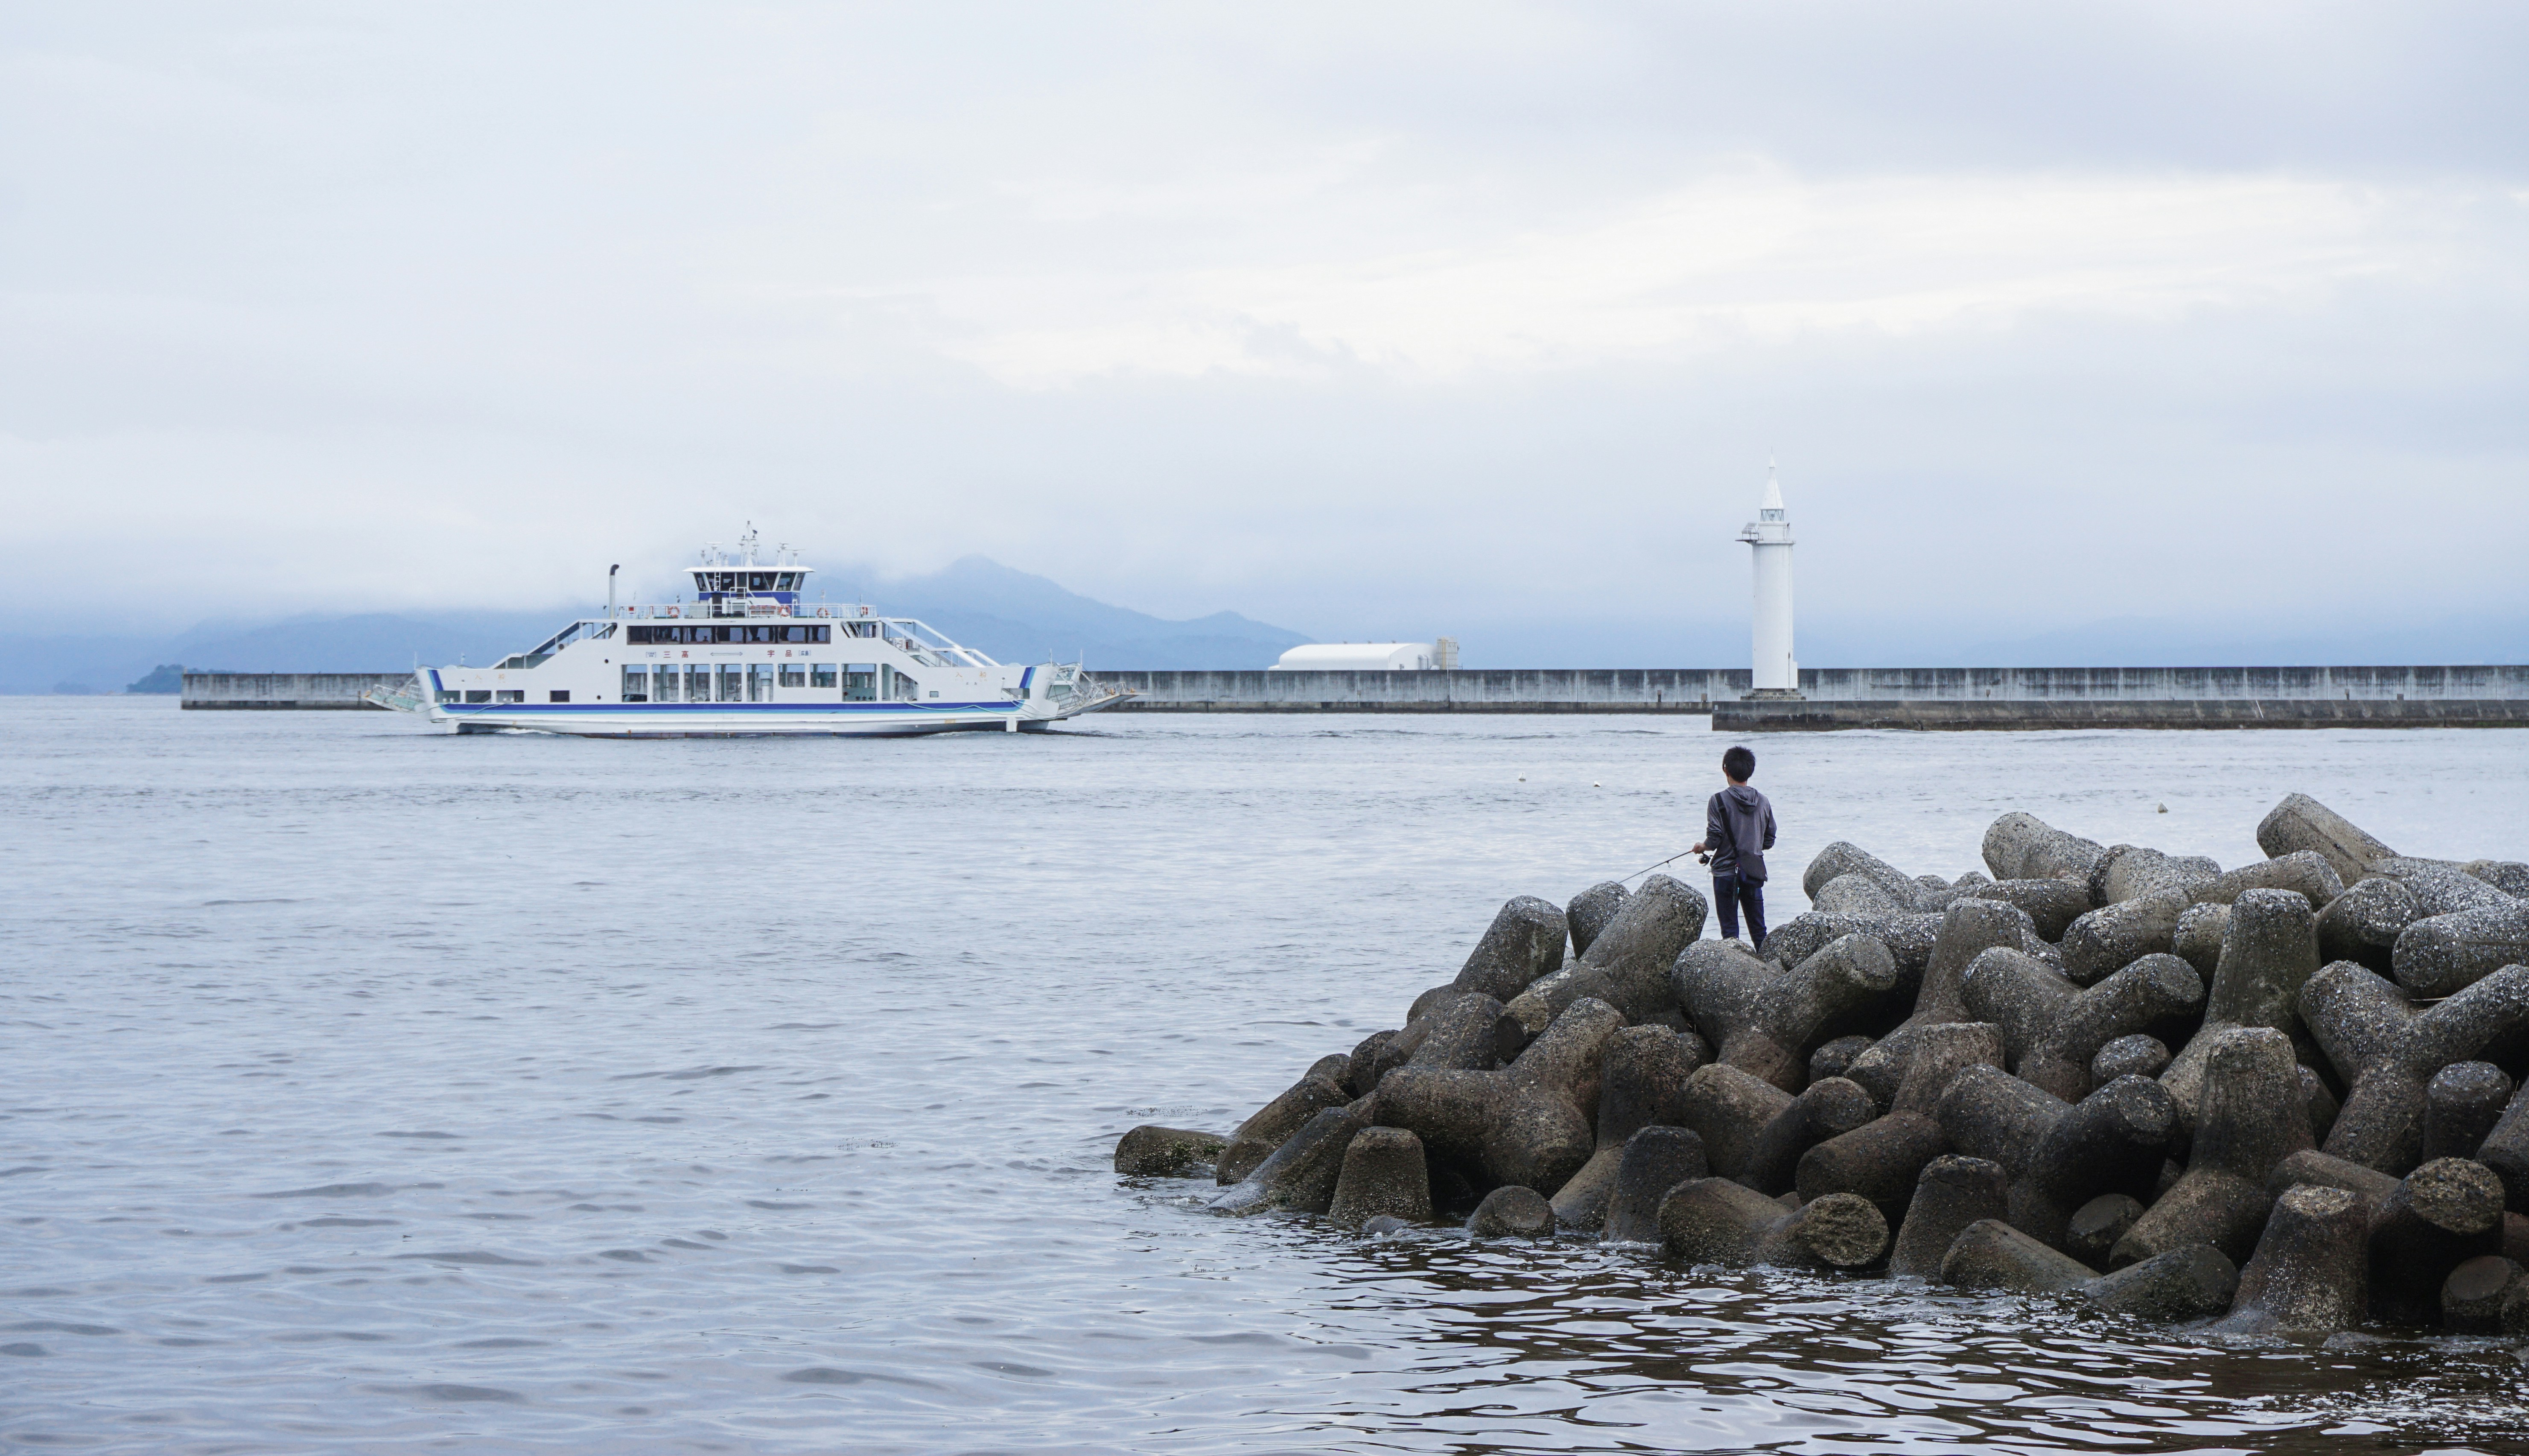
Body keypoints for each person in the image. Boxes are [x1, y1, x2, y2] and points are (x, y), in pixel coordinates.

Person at [1689, 744, 1776, 950]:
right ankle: (1770, 970)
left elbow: (1715, 839)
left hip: (1726, 873)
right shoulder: (1763, 802)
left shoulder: (1718, 800)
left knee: (1729, 933)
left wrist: (1702, 847)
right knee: (1759, 932)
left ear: (1725, 770)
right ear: (1750, 772)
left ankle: (1733, 972)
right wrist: (1752, 843)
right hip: (1753, 871)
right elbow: (1770, 840)